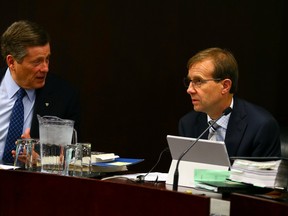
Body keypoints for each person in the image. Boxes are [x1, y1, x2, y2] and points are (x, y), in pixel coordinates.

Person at [0, 20, 81, 164]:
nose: (45, 69)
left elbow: (73, 158)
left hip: (34, 183)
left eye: (47, 59)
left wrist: (39, 160)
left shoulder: (63, 96)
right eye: (37, 62)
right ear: (11, 62)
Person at [179, 47, 281, 157]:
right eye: (189, 81)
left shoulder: (261, 127)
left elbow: (260, 174)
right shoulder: (187, 124)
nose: (189, 90)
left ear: (225, 86)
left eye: (198, 81)